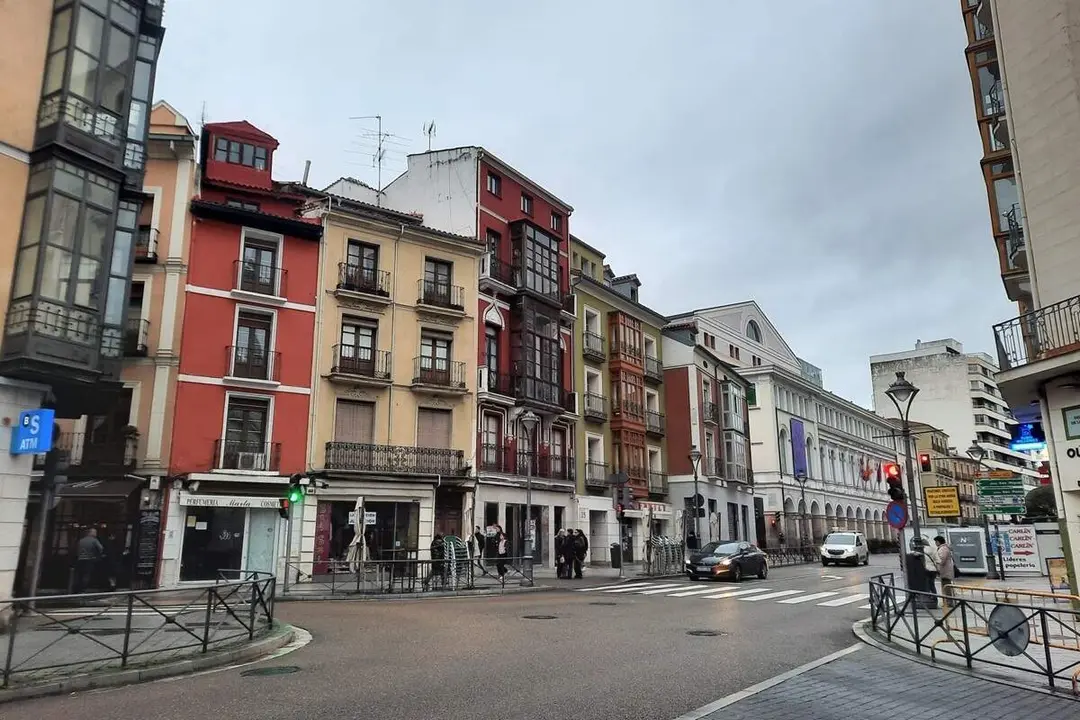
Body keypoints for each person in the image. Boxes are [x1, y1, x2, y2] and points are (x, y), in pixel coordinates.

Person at [74, 528, 104, 594]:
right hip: (89, 559)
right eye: (95, 532)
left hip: (80, 559)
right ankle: (83, 589)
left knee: (79, 575)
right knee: (86, 574)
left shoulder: (81, 540)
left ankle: (76, 589)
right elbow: (101, 548)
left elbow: (77, 550)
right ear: (90, 533)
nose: (96, 534)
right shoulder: (94, 540)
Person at [934, 535, 956, 605]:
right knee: (946, 586)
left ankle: (949, 602)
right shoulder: (945, 548)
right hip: (946, 570)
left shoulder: (943, 549)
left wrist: (936, 561)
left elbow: (941, 560)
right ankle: (949, 601)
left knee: (946, 587)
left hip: (945, 570)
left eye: (936, 542)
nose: (935, 543)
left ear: (938, 542)